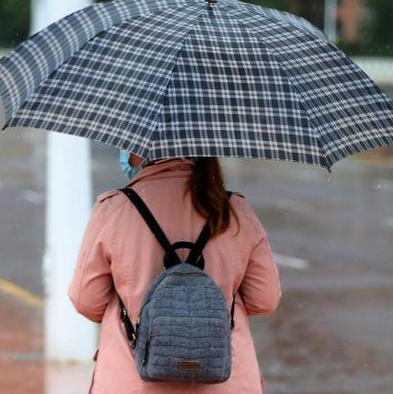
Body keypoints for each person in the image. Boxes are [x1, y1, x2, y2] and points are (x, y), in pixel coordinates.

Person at [68, 153, 281, 393]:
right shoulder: (235, 209)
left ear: (140, 154)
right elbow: (265, 299)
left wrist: (138, 306)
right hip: (225, 381)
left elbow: (87, 300)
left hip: (132, 381)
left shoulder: (115, 208)